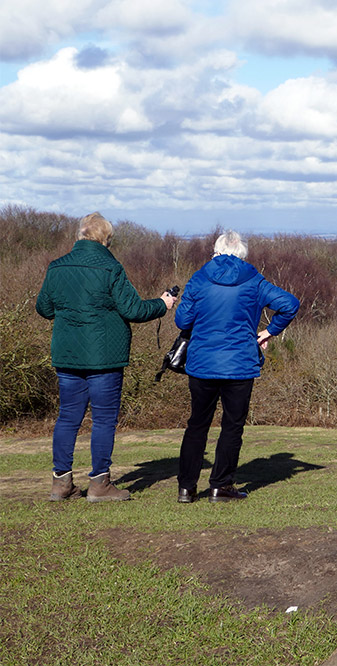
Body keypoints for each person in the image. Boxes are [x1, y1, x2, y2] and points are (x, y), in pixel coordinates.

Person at [36, 212, 177, 502]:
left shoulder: (57, 267)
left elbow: (44, 308)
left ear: (80, 235)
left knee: (67, 419)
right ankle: (99, 484)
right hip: (104, 358)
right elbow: (134, 310)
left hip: (67, 355)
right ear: (106, 239)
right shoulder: (110, 267)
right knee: (102, 420)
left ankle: (61, 483)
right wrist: (162, 304)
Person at [174, 230, 299, 503]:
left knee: (197, 425)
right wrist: (268, 332)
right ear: (242, 253)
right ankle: (221, 486)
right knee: (232, 427)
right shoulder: (254, 280)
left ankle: (187, 487)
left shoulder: (200, 277)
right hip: (239, 365)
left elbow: (183, 321)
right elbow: (290, 304)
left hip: (202, 363)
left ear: (216, 251)